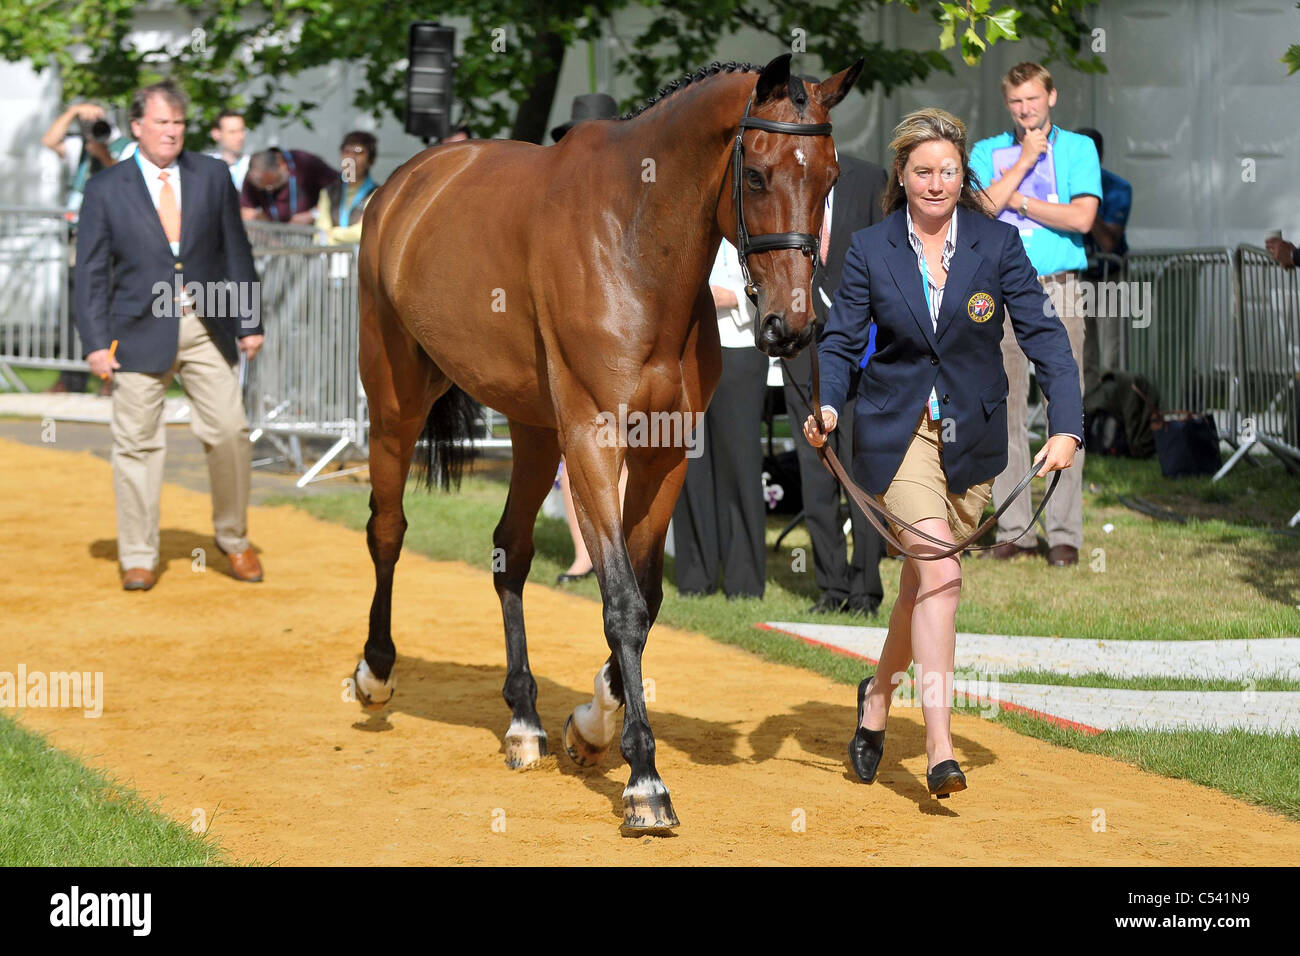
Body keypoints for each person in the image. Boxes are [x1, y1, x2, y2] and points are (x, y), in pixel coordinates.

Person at [806, 107, 1083, 797]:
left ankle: (875, 698)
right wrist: (830, 404)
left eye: (948, 171)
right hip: (894, 434)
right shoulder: (871, 248)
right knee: (941, 576)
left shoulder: (996, 245)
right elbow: (839, 341)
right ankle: (938, 746)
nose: (935, 183)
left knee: (919, 588)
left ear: (965, 173)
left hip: (971, 441)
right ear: (902, 174)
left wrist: (1066, 425)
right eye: (922, 171)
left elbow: (1047, 337)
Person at [75, 81, 266, 591]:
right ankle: (138, 554)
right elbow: (90, 273)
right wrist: (95, 342)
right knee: (136, 445)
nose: (172, 132)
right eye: (162, 122)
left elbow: (235, 252)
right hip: (136, 331)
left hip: (208, 327)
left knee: (229, 432)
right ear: (137, 126)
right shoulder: (105, 188)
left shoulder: (212, 174)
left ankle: (233, 539)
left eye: (179, 123)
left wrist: (249, 321)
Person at [969, 61, 1099, 567]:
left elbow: (1082, 217)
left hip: (1059, 288)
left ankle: (1064, 531)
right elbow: (978, 208)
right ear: (1008, 104)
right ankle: (1014, 529)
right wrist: (1022, 163)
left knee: (1064, 409)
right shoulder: (986, 151)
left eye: (1034, 100)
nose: (1026, 109)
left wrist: (1016, 199)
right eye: (1017, 102)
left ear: (1052, 97)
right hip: (1000, 291)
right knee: (1004, 411)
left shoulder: (1078, 149)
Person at [782, 147, 889, 616]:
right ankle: (830, 585)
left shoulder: (868, 178)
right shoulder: (779, 181)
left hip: (859, 346)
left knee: (859, 468)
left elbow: (889, 253)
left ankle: (866, 587)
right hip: (800, 348)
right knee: (815, 467)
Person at [672, 239, 770, 599]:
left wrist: (727, 297)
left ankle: (743, 581)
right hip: (688, 351)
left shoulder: (749, 220)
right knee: (690, 465)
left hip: (740, 350)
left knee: (740, 466)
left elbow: (773, 281)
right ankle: (696, 576)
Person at [41, 102, 136, 394]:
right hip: (81, 237)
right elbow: (49, 141)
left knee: (111, 307)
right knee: (77, 305)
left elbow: (128, 182)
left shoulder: (126, 148)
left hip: (115, 239)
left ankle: (111, 376)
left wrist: (103, 154)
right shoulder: (79, 148)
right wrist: (74, 112)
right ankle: (72, 378)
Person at [1077, 127, 1132, 394]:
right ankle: (1088, 418)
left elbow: (1109, 241)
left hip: (1111, 276)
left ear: (1098, 156)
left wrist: (1085, 208)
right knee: (1082, 352)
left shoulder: (1117, 188)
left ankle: (1113, 417)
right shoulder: (1064, 186)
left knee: (1112, 353)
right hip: (1077, 277)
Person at [239, 147, 337, 223]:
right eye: (263, 189)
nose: (270, 190)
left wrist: (313, 214)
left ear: (282, 165)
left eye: (272, 184)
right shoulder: (253, 178)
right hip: (276, 237)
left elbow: (338, 190)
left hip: (311, 234)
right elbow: (247, 212)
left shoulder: (305, 163)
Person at [316, 131, 380, 245]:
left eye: (358, 152)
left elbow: (363, 232)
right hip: (330, 259)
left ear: (371, 160)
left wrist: (331, 234)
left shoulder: (377, 194)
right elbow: (319, 234)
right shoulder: (328, 192)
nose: (351, 157)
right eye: (346, 151)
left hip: (360, 260)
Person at [207, 110, 250, 191]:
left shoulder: (251, 165)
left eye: (242, 130)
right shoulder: (206, 166)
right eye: (232, 132)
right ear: (216, 134)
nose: (240, 137)